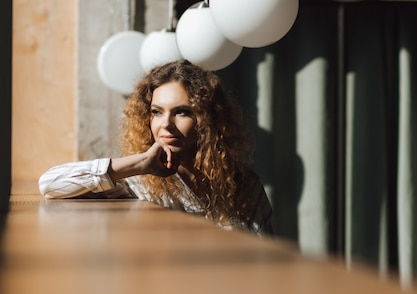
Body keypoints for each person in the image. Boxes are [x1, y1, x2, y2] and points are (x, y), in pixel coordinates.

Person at [39, 60, 276, 236]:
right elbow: (50, 183)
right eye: (156, 112)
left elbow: (269, 262)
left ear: (207, 119)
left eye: (182, 112)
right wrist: (140, 163)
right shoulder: (138, 184)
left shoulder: (244, 186)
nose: (166, 125)